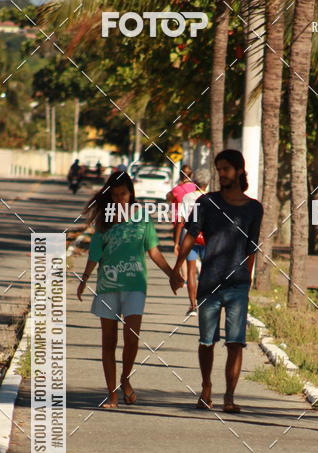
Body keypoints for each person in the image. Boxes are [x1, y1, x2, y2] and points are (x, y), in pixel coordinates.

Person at [77, 171, 183, 409]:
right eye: (114, 195)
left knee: (131, 339)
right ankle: (112, 393)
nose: (119, 199)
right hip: (107, 286)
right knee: (108, 341)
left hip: (135, 285)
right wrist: (84, 279)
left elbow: (153, 251)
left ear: (131, 193)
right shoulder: (104, 219)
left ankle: (125, 378)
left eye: (123, 194)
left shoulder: (142, 217)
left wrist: (172, 275)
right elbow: (95, 253)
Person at [170, 150, 263, 413]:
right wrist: (177, 267)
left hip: (237, 286)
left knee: (236, 343)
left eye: (226, 169)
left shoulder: (254, 208)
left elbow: (251, 248)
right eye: (218, 169)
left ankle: (230, 397)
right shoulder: (206, 202)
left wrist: (247, 279)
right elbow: (191, 235)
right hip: (209, 283)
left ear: (239, 171)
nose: (221, 174)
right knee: (206, 341)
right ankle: (206, 387)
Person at [177, 169, 209, 315]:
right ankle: (204, 303)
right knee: (206, 271)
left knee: (191, 270)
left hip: (190, 238)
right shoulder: (211, 198)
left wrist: (178, 241)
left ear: (194, 182)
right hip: (207, 239)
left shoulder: (187, 197)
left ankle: (193, 305)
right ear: (207, 183)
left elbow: (182, 220)